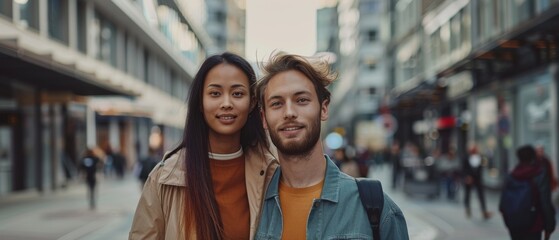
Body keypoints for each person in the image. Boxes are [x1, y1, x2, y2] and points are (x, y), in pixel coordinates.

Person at [255, 53, 409, 239]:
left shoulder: (377, 208)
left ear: (324, 108)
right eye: (277, 103)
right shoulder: (252, 209)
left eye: (301, 100)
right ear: (264, 118)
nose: (289, 112)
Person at [129, 52, 279, 239]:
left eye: (238, 94)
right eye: (215, 93)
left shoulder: (271, 174)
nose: (226, 103)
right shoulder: (165, 177)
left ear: (252, 103)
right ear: (200, 102)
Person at [500, 145, 556, 240]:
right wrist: (549, 226)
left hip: (514, 225)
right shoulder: (538, 175)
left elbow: (502, 204)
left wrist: (508, 222)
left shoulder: (511, 175)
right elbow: (545, 202)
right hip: (534, 224)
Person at [462, 144, 492, 219]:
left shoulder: (481, 158)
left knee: (481, 195)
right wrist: (467, 177)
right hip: (469, 179)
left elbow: (482, 168)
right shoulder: (466, 158)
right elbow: (463, 169)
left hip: (478, 179)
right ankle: (467, 209)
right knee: (467, 195)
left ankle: (484, 211)